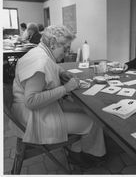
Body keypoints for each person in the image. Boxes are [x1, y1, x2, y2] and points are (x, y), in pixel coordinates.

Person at [11, 25, 106, 167]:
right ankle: (84, 155)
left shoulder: (39, 51)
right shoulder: (40, 61)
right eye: (65, 48)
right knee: (93, 122)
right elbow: (31, 101)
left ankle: (76, 148)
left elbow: (52, 65)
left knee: (85, 110)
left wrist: (61, 72)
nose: (66, 53)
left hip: (30, 111)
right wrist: (65, 88)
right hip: (33, 118)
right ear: (53, 43)